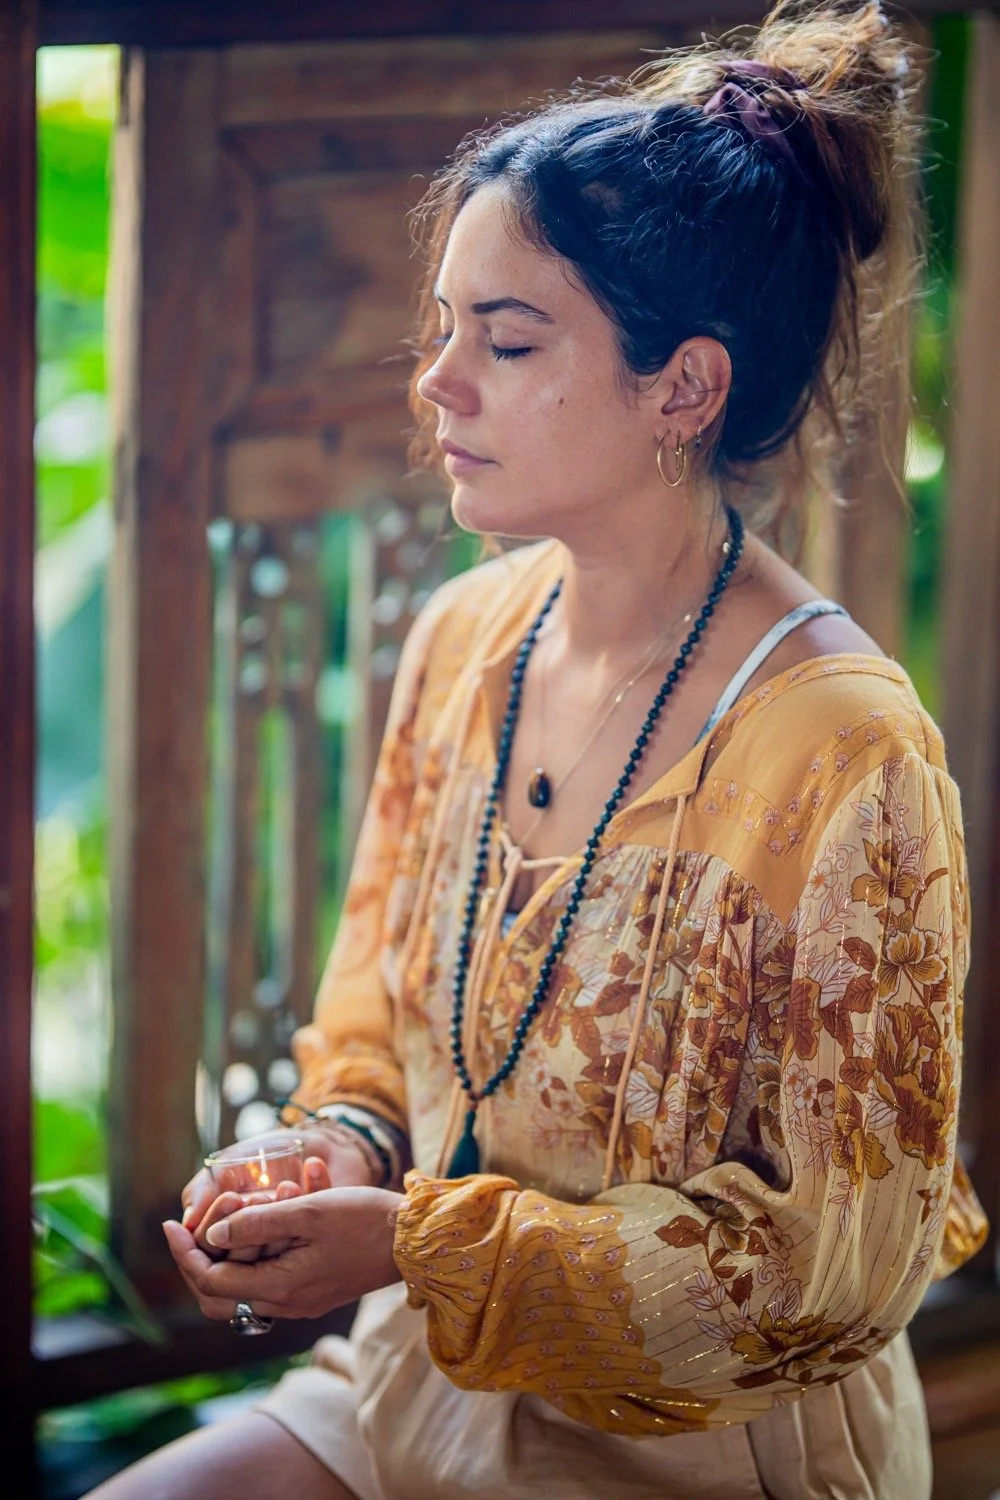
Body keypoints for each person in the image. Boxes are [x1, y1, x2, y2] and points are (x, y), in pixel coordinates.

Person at [86, 2, 988, 1497]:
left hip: (704, 1455)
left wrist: (416, 1246)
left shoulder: (849, 757)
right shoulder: (465, 642)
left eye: (506, 341)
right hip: (420, 1381)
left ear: (682, 389)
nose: (440, 383)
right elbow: (373, 1011)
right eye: (444, 328)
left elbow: (833, 1275)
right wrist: (345, 1150)